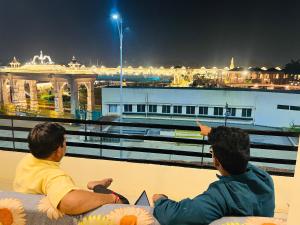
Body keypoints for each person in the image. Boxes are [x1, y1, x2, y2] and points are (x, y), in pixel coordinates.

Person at [152, 123, 275, 225]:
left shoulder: (220, 195)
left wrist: (160, 200)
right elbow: (236, 150)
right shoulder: (264, 178)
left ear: (216, 161)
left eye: (212, 152)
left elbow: (174, 217)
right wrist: (212, 133)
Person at [13, 122, 127, 215]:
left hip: (28, 209)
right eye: (65, 142)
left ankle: (97, 186)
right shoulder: (54, 177)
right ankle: (96, 186)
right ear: (58, 150)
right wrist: (112, 199)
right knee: (124, 201)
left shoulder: (28, 159)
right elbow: (70, 203)